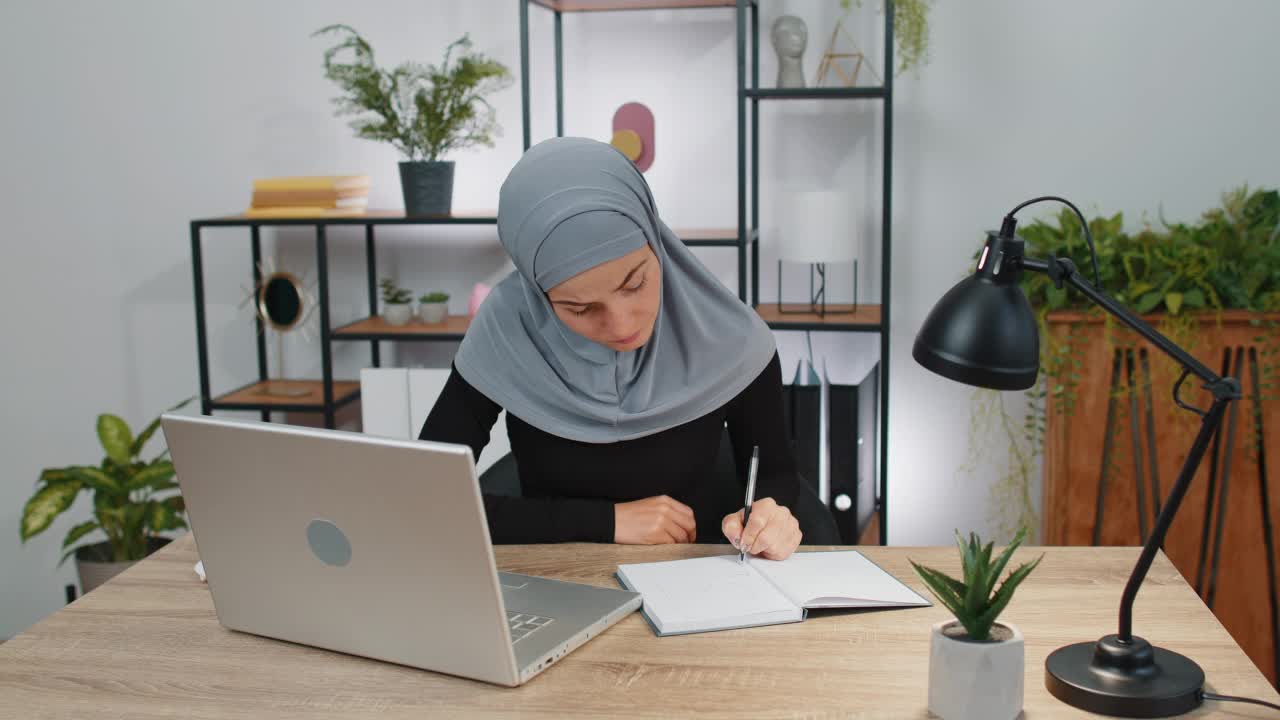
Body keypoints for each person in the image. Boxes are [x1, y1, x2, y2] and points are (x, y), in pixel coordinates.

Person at [419, 137, 838, 560]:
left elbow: (776, 478)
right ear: (536, 292)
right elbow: (427, 498)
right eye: (579, 308)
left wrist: (773, 517)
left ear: (656, 241)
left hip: (698, 579)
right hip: (557, 579)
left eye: (635, 283)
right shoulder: (507, 330)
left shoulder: (732, 338)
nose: (621, 324)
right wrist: (608, 522)